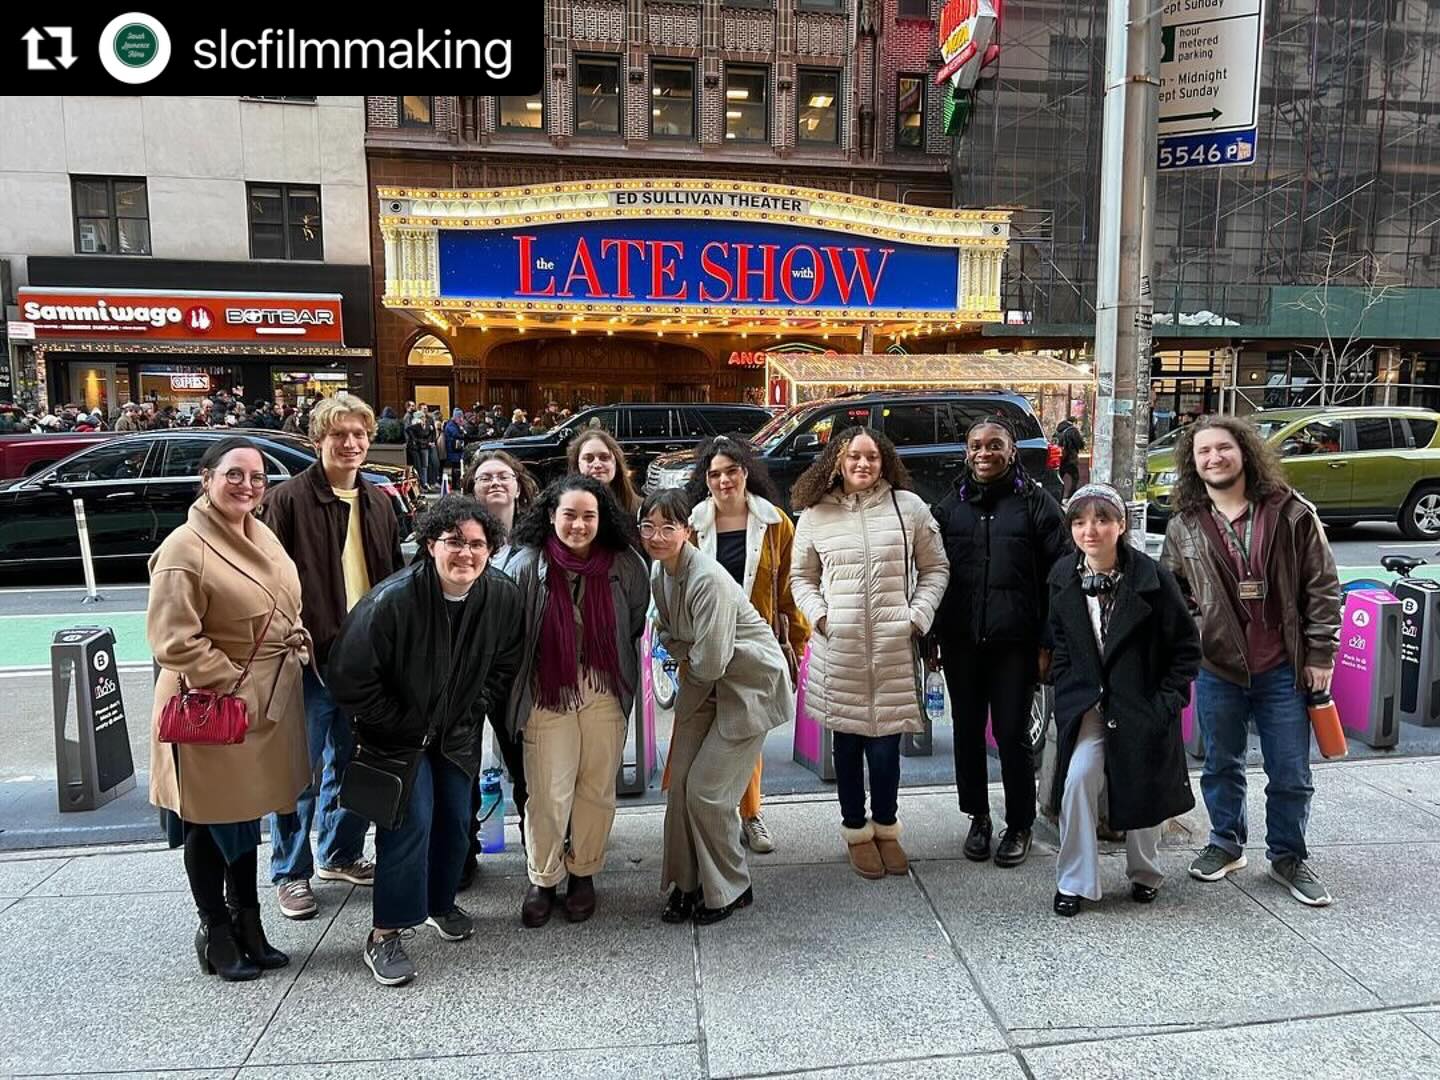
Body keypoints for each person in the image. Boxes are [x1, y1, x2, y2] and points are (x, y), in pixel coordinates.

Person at [327, 496, 524, 986]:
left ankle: (439, 903)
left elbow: (505, 662)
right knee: (409, 824)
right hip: (398, 738)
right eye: (454, 541)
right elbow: (349, 679)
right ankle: (385, 933)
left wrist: (475, 706)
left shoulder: (499, 594)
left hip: (455, 732)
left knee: (457, 820)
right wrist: (400, 723)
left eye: (477, 544)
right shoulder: (391, 601)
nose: (466, 553)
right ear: (431, 543)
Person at [147, 437, 311, 981]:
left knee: (245, 815)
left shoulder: (259, 533)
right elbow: (173, 642)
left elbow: (283, 601)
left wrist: (296, 635)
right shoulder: (183, 547)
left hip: (267, 699)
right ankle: (215, 930)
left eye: (257, 477)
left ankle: (249, 922)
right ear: (206, 478)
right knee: (208, 818)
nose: (247, 485)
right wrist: (231, 681)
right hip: (212, 704)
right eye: (234, 474)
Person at [1162, 416, 1341, 907]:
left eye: (1223, 447)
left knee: (1290, 771)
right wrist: (1197, 632)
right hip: (1218, 666)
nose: (1214, 458)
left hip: (1283, 666)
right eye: (1203, 451)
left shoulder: (1291, 513)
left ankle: (1287, 856)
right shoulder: (1185, 525)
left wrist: (1321, 652)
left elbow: (1323, 588)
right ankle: (1225, 843)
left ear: (1244, 452)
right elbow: (1172, 592)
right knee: (1221, 763)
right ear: (1193, 462)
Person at [260, 394, 404, 920]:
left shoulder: (379, 501)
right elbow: (268, 581)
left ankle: (339, 853)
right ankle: (290, 872)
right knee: (299, 774)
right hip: (308, 660)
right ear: (319, 440)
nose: (350, 444)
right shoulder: (289, 499)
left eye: (358, 435)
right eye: (338, 435)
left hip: (366, 661)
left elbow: (393, 579)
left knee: (357, 765)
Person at [789, 427, 949, 879]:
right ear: (837, 462)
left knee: (885, 750)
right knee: (847, 746)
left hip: (893, 648)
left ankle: (886, 829)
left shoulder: (908, 508)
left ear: (885, 461)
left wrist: (918, 615)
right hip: (839, 649)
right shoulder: (815, 514)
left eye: (872, 458)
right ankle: (856, 830)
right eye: (855, 457)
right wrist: (821, 617)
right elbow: (800, 577)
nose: (864, 465)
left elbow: (936, 567)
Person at [1047, 484, 1201, 916]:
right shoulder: (1062, 577)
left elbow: (1187, 647)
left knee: (1142, 780)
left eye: (1101, 520)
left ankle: (1146, 872)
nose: (1089, 530)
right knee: (1078, 780)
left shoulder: (1154, 579)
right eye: (1079, 522)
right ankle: (1074, 879)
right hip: (1090, 705)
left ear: (1121, 525)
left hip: (1143, 702)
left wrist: (1166, 701)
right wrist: (1068, 688)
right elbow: (1060, 643)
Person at [642, 489, 795, 924]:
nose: (657, 536)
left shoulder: (705, 579)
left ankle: (732, 887)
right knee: (680, 789)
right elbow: (667, 634)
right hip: (704, 684)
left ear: (688, 531)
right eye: (649, 527)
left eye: (668, 527)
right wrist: (685, 648)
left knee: (707, 792)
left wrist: (683, 650)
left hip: (747, 689)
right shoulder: (660, 572)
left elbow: (707, 660)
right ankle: (687, 883)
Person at [503, 476, 649, 927]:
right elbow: (510, 633)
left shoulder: (625, 564)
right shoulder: (526, 564)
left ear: (601, 518)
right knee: (547, 792)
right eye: (569, 515)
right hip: (546, 691)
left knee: (596, 788)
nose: (579, 525)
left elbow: (634, 622)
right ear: (551, 515)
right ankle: (543, 878)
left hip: (604, 687)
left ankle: (584, 872)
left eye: (589, 516)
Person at [932, 415, 1070, 869]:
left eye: (995, 445)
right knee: (967, 732)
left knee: (1012, 734)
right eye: (976, 446)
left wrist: (1048, 639)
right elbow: (934, 576)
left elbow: (1061, 577)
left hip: (1017, 641)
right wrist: (931, 635)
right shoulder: (950, 506)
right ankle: (978, 817)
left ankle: (1020, 823)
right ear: (966, 452)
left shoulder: (1037, 504)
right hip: (961, 639)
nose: (984, 453)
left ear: (1011, 451)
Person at [680, 435, 809, 854]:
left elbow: (789, 588)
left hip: (757, 646)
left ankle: (752, 815)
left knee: (746, 733)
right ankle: (719, 815)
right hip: (709, 645)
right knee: (710, 735)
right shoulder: (693, 527)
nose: (723, 481)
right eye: (714, 474)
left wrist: (799, 642)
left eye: (731, 471)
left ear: (746, 471)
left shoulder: (775, 524)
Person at [456, 448, 539, 889]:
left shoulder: (537, 538)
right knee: (463, 766)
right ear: (471, 487)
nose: (495, 483)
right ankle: (462, 852)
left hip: (517, 673)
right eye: (485, 476)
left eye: (503, 476)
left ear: (518, 484)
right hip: (464, 674)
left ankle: (539, 851)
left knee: (525, 766)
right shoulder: (455, 534)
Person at [568, 427, 641, 515]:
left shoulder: (640, 510)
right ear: (577, 464)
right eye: (589, 459)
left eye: (604, 457)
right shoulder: (566, 510)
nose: (597, 465)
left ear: (616, 463)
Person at [1054, 416, 1085, 500]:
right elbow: (1080, 444)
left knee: (1060, 479)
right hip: (1070, 459)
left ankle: (1058, 497)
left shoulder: (1058, 429)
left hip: (1060, 458)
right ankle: (1070, 496)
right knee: (1075, 477)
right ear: (1074, 422)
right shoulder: (1073, 430)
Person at [406, 412, 435, 490]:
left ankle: (424, 483)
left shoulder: (427, 425)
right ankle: (420, 484)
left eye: (424, 417)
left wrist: (430, 441)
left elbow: (430, 435)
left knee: (425, 466)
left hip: (425, 447)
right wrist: (426, 442)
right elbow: (413, 436)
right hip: (416, 448)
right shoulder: (414, 426)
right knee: (418, 466)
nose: (423, 419)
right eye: (421, 417)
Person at [443, 408, 467, 489]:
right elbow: (456, 434)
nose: (461, 419)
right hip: (453, 451)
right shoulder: (450, 425)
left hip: (457, 451)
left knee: (457, 468)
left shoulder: (455, 425)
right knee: (455, 468)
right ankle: (455, 485)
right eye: (459, 417)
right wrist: (462, 430)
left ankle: (456, 484)